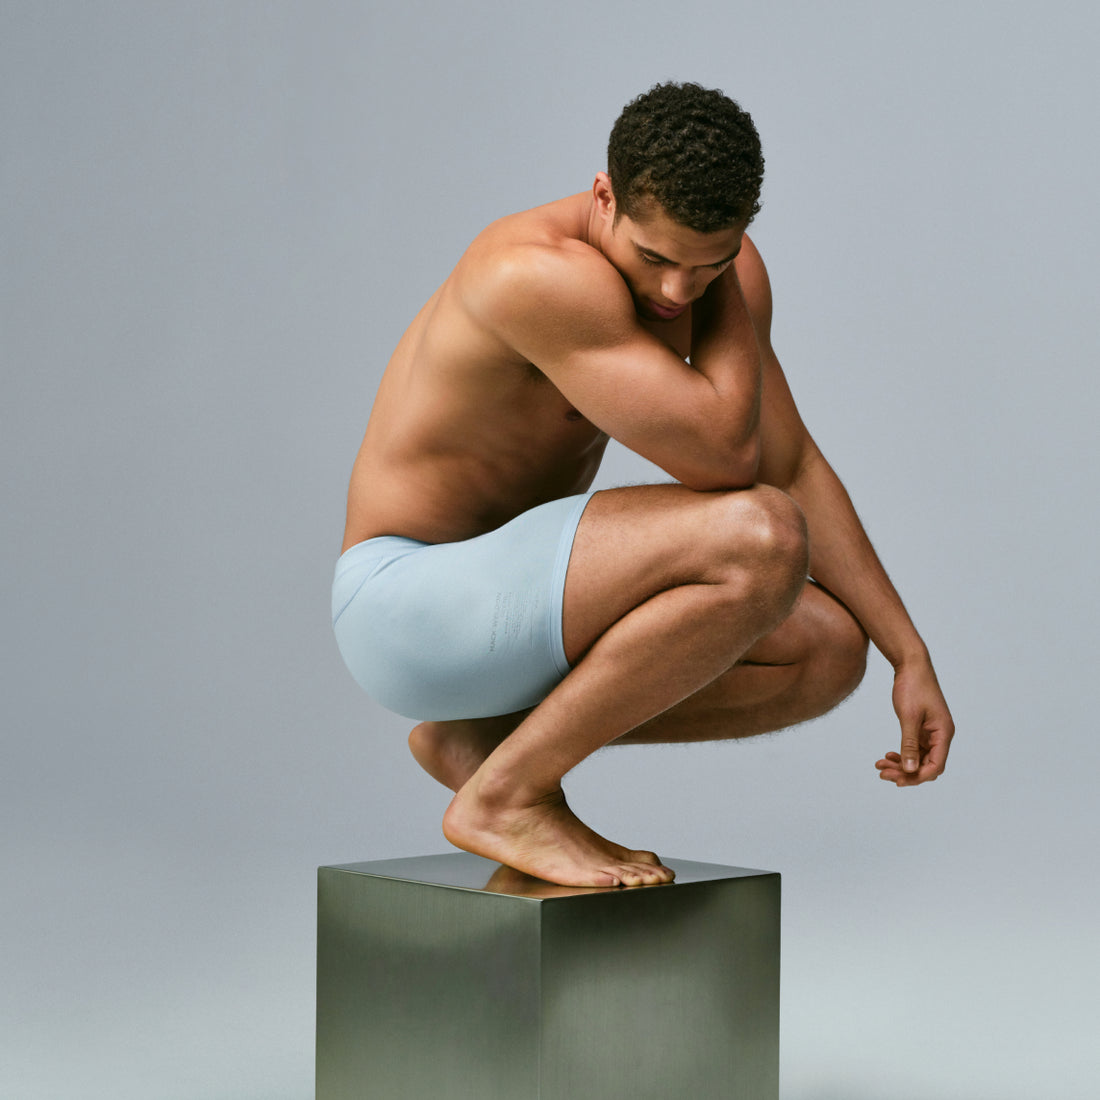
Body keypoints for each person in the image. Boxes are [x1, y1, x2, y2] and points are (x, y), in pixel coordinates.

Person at [332, 82, 954, 889]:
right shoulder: (536, 274)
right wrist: (727, 280)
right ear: (604, 197)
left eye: (709, 264)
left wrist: (909, 653)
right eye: (655, 258)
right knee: (760, 536)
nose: (676, 292)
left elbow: (790, 460)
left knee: (828, 651)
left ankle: (489, 747)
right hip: (406, 606)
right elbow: (730, 461)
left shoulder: (717, 269)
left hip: (528, 610)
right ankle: (506, 798)